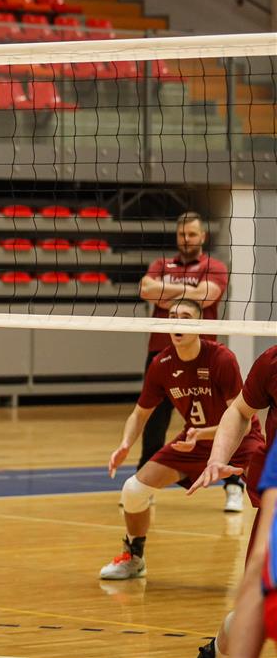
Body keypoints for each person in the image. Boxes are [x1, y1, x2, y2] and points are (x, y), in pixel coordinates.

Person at [101, 299, 262, 581]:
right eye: (173, 316)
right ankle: (134, 558)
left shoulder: (221, 359)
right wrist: (125, 444)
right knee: (133, 490)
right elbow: (139, 414)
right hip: (193, 443)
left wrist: (203, 433)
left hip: (240, 441)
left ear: (199, 324)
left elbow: (242, 420)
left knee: (270, 495)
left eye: (186, 317)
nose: (177, 321)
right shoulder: (161, 364)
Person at [137, 211, 235, 510]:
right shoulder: (161, 264)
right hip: (162, 353)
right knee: (154, 419)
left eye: (192, 234)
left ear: (203, 236)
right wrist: (189, 292)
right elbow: (146, 290)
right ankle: (144, 481)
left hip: (203, 356)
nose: (186, 239)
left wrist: (167, 293)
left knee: (222, 420)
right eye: (182, 234)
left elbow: (206, 297)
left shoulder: (214, 266)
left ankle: (234, 484)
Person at [188, 345, 277, 657]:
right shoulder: (272, 362)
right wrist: (217, 458)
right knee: (256, 607)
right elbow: (239, 411)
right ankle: (218, 648)